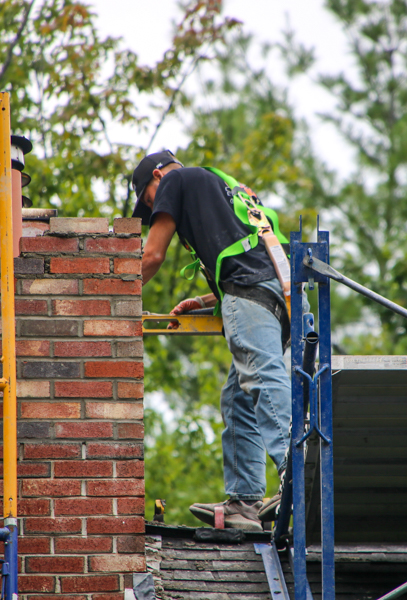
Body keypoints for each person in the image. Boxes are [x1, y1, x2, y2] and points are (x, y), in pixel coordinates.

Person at [133, 150, 294, 532]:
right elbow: (251, 256)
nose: (153, 211)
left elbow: (152, 255)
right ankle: (245, 502)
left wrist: (108, 297)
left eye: (148, 202)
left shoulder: (175, 180)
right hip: (279, 296)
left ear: (156, 176)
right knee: (238, 399)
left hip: (249, 295)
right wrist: (209, 300)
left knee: (262, 377)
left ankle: (296, 470)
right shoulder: (224, 185)